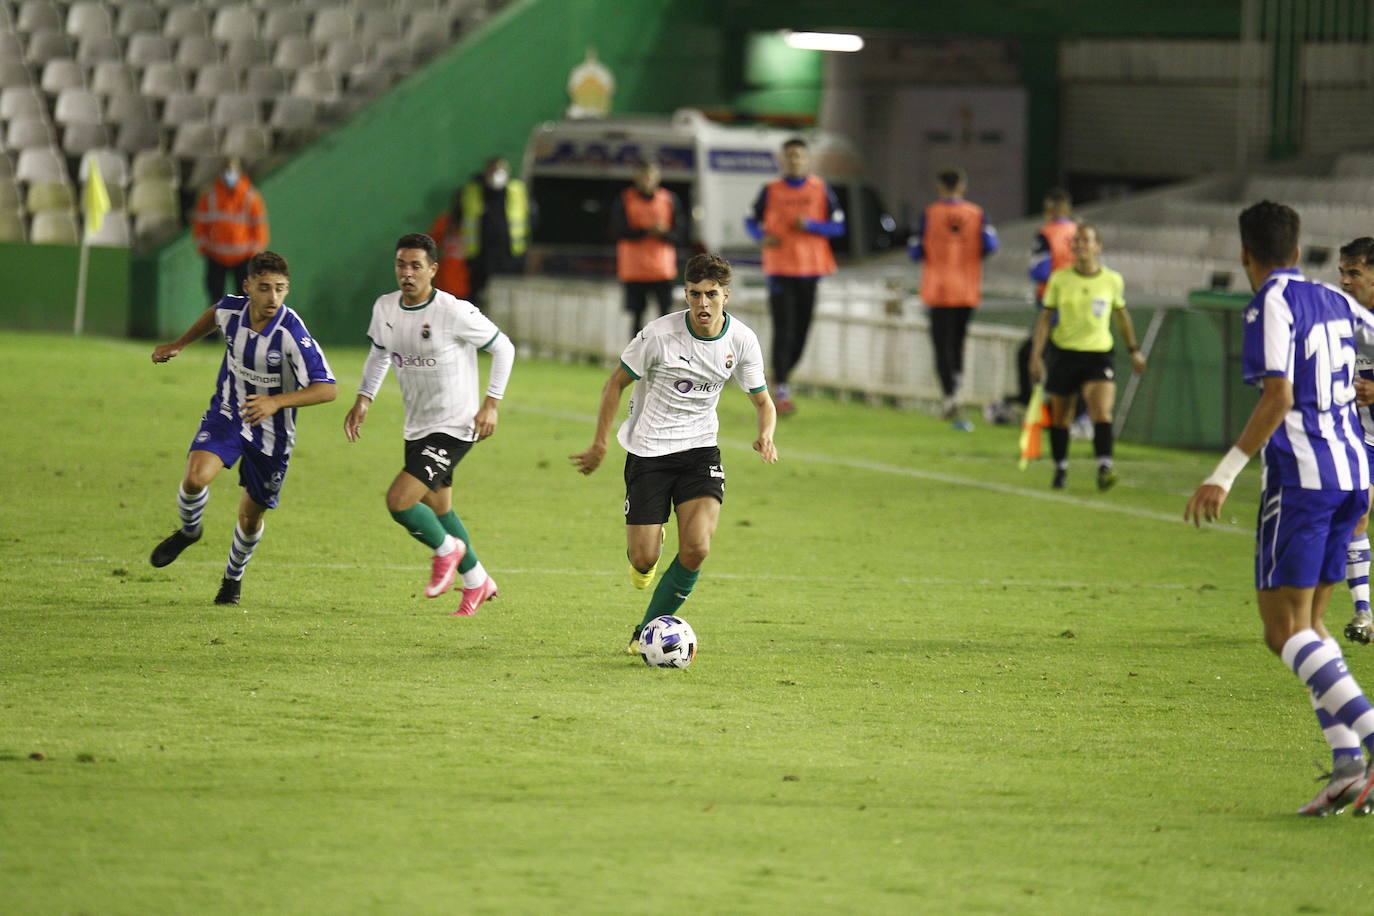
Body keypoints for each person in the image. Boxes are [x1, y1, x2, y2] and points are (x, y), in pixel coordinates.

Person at [1185, 200, 1374, 817]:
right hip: (1355, 474)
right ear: (1298, 251)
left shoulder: (1269, 302)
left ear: (1246, 256)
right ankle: (1349, 768)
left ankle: (1369, 738)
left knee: (1282, 631)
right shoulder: (1337, 298)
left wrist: (1223, 474)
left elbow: (1278, 396)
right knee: (1313, 627)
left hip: (1304, 482)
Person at [569, 253, 778, 654]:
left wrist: (765, 434)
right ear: (685, 294)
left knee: (698, 547)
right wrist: (600, 442)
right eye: (695, 294)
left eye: (711, 295)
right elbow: (615, 384)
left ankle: (645, 631)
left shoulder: (741, 340)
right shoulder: (658, 335)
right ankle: (648, 548)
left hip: (700, 452)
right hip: (649, 453)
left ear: (726, 296)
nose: (703, 304)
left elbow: (763, 402)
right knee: (644, 558)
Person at [148, 250, 337, 605]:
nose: (273, 298)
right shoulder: (231, 310)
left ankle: (232, 579)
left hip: (273, 433)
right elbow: (213, 316)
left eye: (280, 289)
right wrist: (179, 344)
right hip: (229, 411)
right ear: (248, 286)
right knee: (195, 478)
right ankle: (190, 531)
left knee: (250, 517)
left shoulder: (291, 333)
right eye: (265, 288)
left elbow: (327, 388)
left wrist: (276, 402)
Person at [344, 233, 516, 616]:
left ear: (433, 270)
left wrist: (491, 405)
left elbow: (503, 346)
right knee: (439, 509)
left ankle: (447, 551)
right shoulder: (385, 308)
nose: (407, 273)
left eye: (416, 266)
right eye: (401, 265)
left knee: (399, 501)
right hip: (417, 425)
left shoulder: (453, 311)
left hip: (456, 425)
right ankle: (477, 581)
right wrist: (363, 398)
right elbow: (378, 353)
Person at [1028, 224, 1146, 491]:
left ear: (1097, 246)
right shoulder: (1059, 279)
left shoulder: (1112, 280)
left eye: (1085, 240)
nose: (1079, 245)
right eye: (1076, 241)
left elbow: (1121, 316)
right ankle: (1060, 468)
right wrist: (1036, 355)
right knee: (1061, 417)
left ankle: (1104, 465)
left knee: (1101, 411)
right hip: (1064, 352)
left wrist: (1133, 349)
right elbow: (1045, 319)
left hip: (1098, 353)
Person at [744, 138, 844, 417]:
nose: (794, 160)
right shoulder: (770, 190)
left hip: (811, 268)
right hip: (779, 268)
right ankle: (782, 389)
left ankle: (780, 377)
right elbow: (750, 220)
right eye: (790, 156)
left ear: (807, 159)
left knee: (802, 330)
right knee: (784, 328)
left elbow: (839, 227)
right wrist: (760, 237)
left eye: (799, 156)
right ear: (782, 160)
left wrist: (811, 225)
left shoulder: (821, 189)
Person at [909, 168, 998, 430]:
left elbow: (915, 251)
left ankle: (950, 395)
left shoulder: (929, 214)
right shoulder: (977, 214)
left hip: (938, 289)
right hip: (967, 287)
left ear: (939, 187)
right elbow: (991, 246)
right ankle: (956, 388)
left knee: (941, 344)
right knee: (958, 342)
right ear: (963, 186)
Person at [1338, 236, 1374, 644]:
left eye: (1355, 272)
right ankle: (1363, 612)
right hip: (1363, 439)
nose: (1345, 281)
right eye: (1343, 272)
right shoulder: (1343, 320)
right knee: (1357, 512)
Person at [611, 158, 686, 337]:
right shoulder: (625, 199)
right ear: (637, 177)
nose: (647, 180)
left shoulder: (669, 200)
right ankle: (635, 359)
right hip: (634, 269)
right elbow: (617, 230)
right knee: (636, 316)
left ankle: (667, 357)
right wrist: (646, 231)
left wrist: (663, 233)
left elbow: (680, 234)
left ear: (657, 177)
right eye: (644, 176)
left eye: (650, 176)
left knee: (666, 317)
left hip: (662, 269)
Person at [191, 156, 269, 306]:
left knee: (245, 301)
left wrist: (254, 254)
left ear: (239, 172)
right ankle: (215, 329)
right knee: (214, 301)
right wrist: (204, 247)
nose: (229, 175)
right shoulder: (209, 197)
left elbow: (259, 227)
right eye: (227, 170)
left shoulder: (250, 197)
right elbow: (200, 223)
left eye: (232, 170)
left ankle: (243, 329)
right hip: (216, 256)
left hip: (244, 258)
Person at [462, 156, 530, 303]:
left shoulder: (517, 190)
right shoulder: (473, 190)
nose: (496, 174)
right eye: (493, 170)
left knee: (507, 298)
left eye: (500, 169)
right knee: (477, 297)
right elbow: (461, 217)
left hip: (510, 254)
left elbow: (530, 218)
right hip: (480, 255)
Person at [428, 189, 472, 299]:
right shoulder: (445, 222)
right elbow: (427, 246)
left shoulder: (475, 224)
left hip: (469, 286)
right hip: (445, 285)